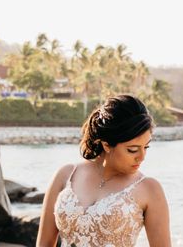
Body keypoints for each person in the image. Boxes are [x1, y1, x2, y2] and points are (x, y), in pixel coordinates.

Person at [37, 94, 171, 247]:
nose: (142, 157)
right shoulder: (66, 175)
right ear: (107, 145)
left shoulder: (149, 189)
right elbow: (44, 243)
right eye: (132, 150)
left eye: (146, 147)